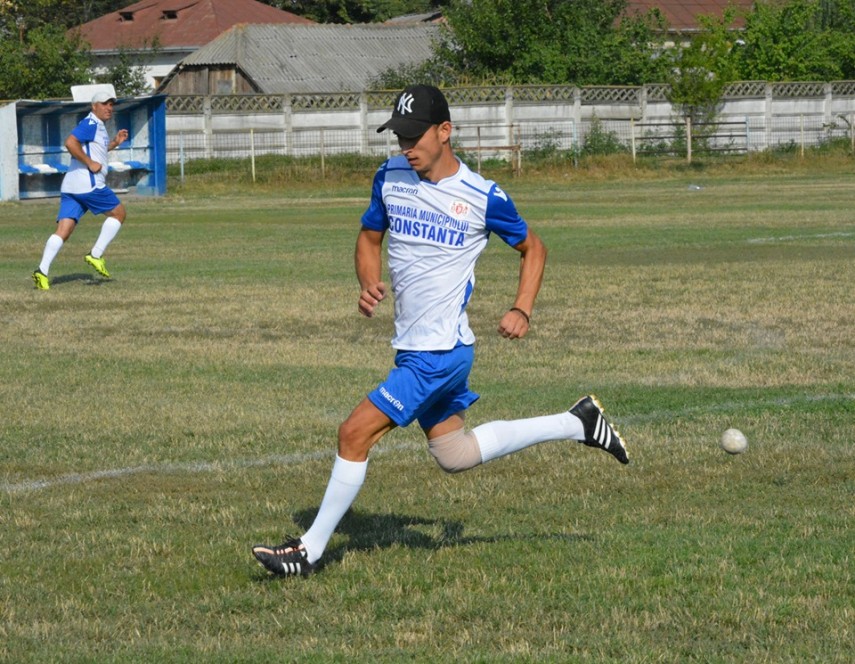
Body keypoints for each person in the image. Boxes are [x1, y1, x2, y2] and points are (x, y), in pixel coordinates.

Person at [252, 84, 628, 578]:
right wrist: (368, 280)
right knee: (455, 454)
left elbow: (534, 248)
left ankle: (309, 550)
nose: (405, 146)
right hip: (416, 349)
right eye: (398, 136)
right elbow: (369, 237)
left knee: (353, 433)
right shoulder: (389, 177)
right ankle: (577, 422)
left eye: (414, 135)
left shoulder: (482, 196)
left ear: (444, 131)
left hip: (440, 352)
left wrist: (522, 308)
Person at [32, 91, 129, 290]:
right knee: (119, 213)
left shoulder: (98, 127)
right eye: (104, 104)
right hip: (89, 185)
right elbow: (70, 142)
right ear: (94, 106)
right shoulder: (90, 123)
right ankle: (95, 254)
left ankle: (41, 271)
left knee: (63, 231)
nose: (109, 108)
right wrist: (89, 162)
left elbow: (96, 150)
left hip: (71, 186)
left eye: (111, 104)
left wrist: (115, 143)